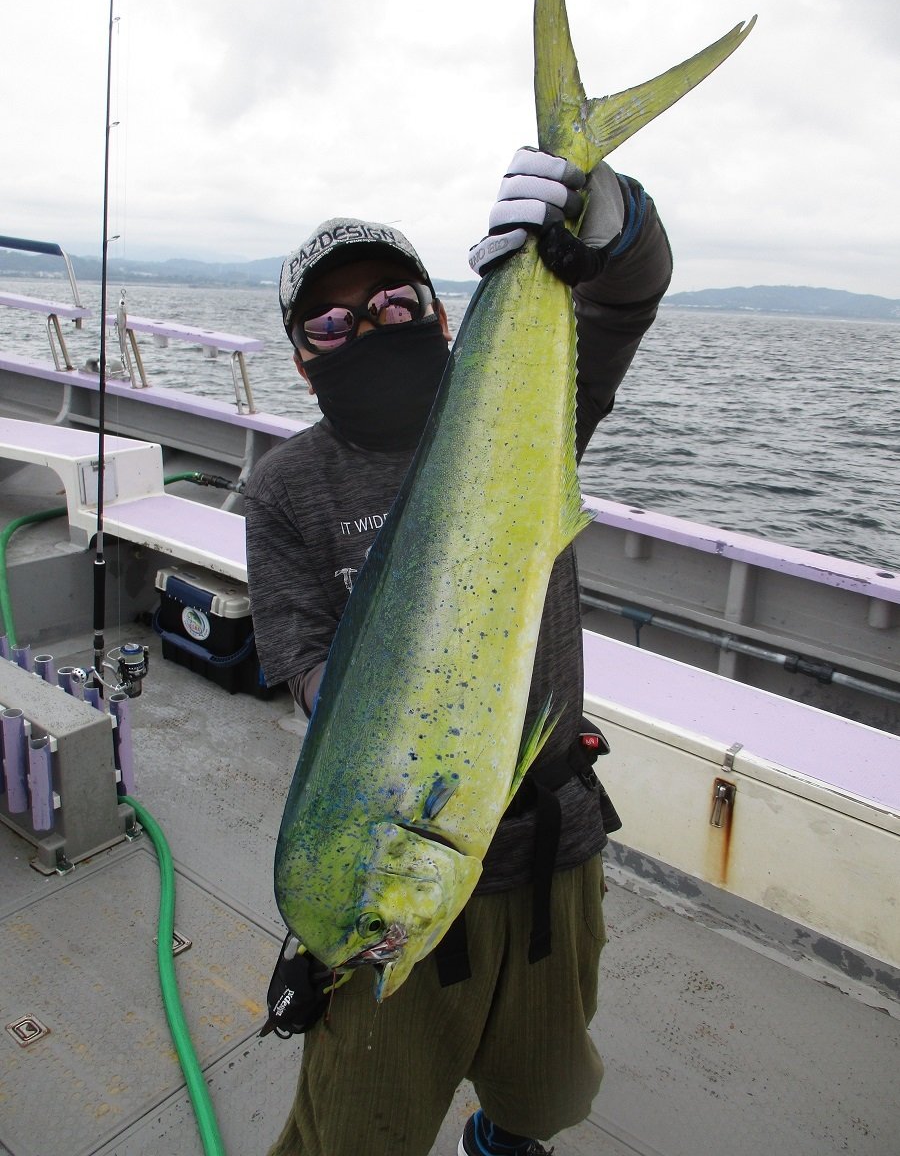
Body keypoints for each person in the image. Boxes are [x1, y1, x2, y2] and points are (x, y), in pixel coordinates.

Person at [245, 147, 673, 1156]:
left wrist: (608, 223)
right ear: (303, 356)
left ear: (442, 313)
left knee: (545, 1095)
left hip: (553, 855)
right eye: (334, 320)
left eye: (394, 302)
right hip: (385, 871)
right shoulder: (283, 488)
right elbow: (300, 658)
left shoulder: (528, 416)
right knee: (354, 1132)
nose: (369, 326)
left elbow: (624, 302)